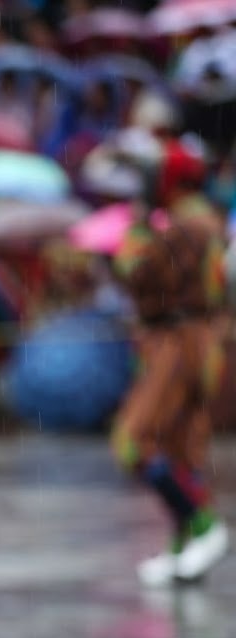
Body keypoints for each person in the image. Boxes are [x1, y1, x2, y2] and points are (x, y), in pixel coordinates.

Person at [112, 146, 229, 586]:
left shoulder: (182, 228)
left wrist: (139, 226)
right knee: (181, 444)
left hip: (178, 343)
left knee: (132, 440)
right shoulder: (210, 222)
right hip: (204, 341)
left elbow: (135, 272)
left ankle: (202, 526)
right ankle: (185, 549)